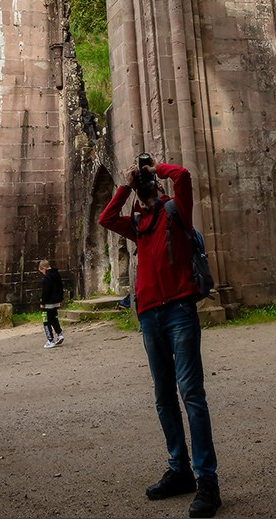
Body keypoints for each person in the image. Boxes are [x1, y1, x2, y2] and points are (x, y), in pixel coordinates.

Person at [99, 156, 220, 519]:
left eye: (147, 185)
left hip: (179, 310)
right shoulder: (137, 224)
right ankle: (179, 469)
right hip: (149, 314)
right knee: (164, 396)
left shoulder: (175, 210)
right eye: (143, 187)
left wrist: (154, 170)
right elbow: (105, 218)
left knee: (191, 394)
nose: (146, 189)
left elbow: (183, 175)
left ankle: (208, 481)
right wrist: (126, 184)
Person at [38, 259, 65, 349]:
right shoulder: (57, 275)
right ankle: (59, 334)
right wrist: (61, 299)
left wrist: (42, 302)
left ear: (44, 268)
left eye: (42, 271)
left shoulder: (47, 278)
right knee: (54, 319)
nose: (42, 273)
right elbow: (61, 287)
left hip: (48, 303)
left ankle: (50, 340)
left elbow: (46, 291)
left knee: (46, 321)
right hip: (56, 302)